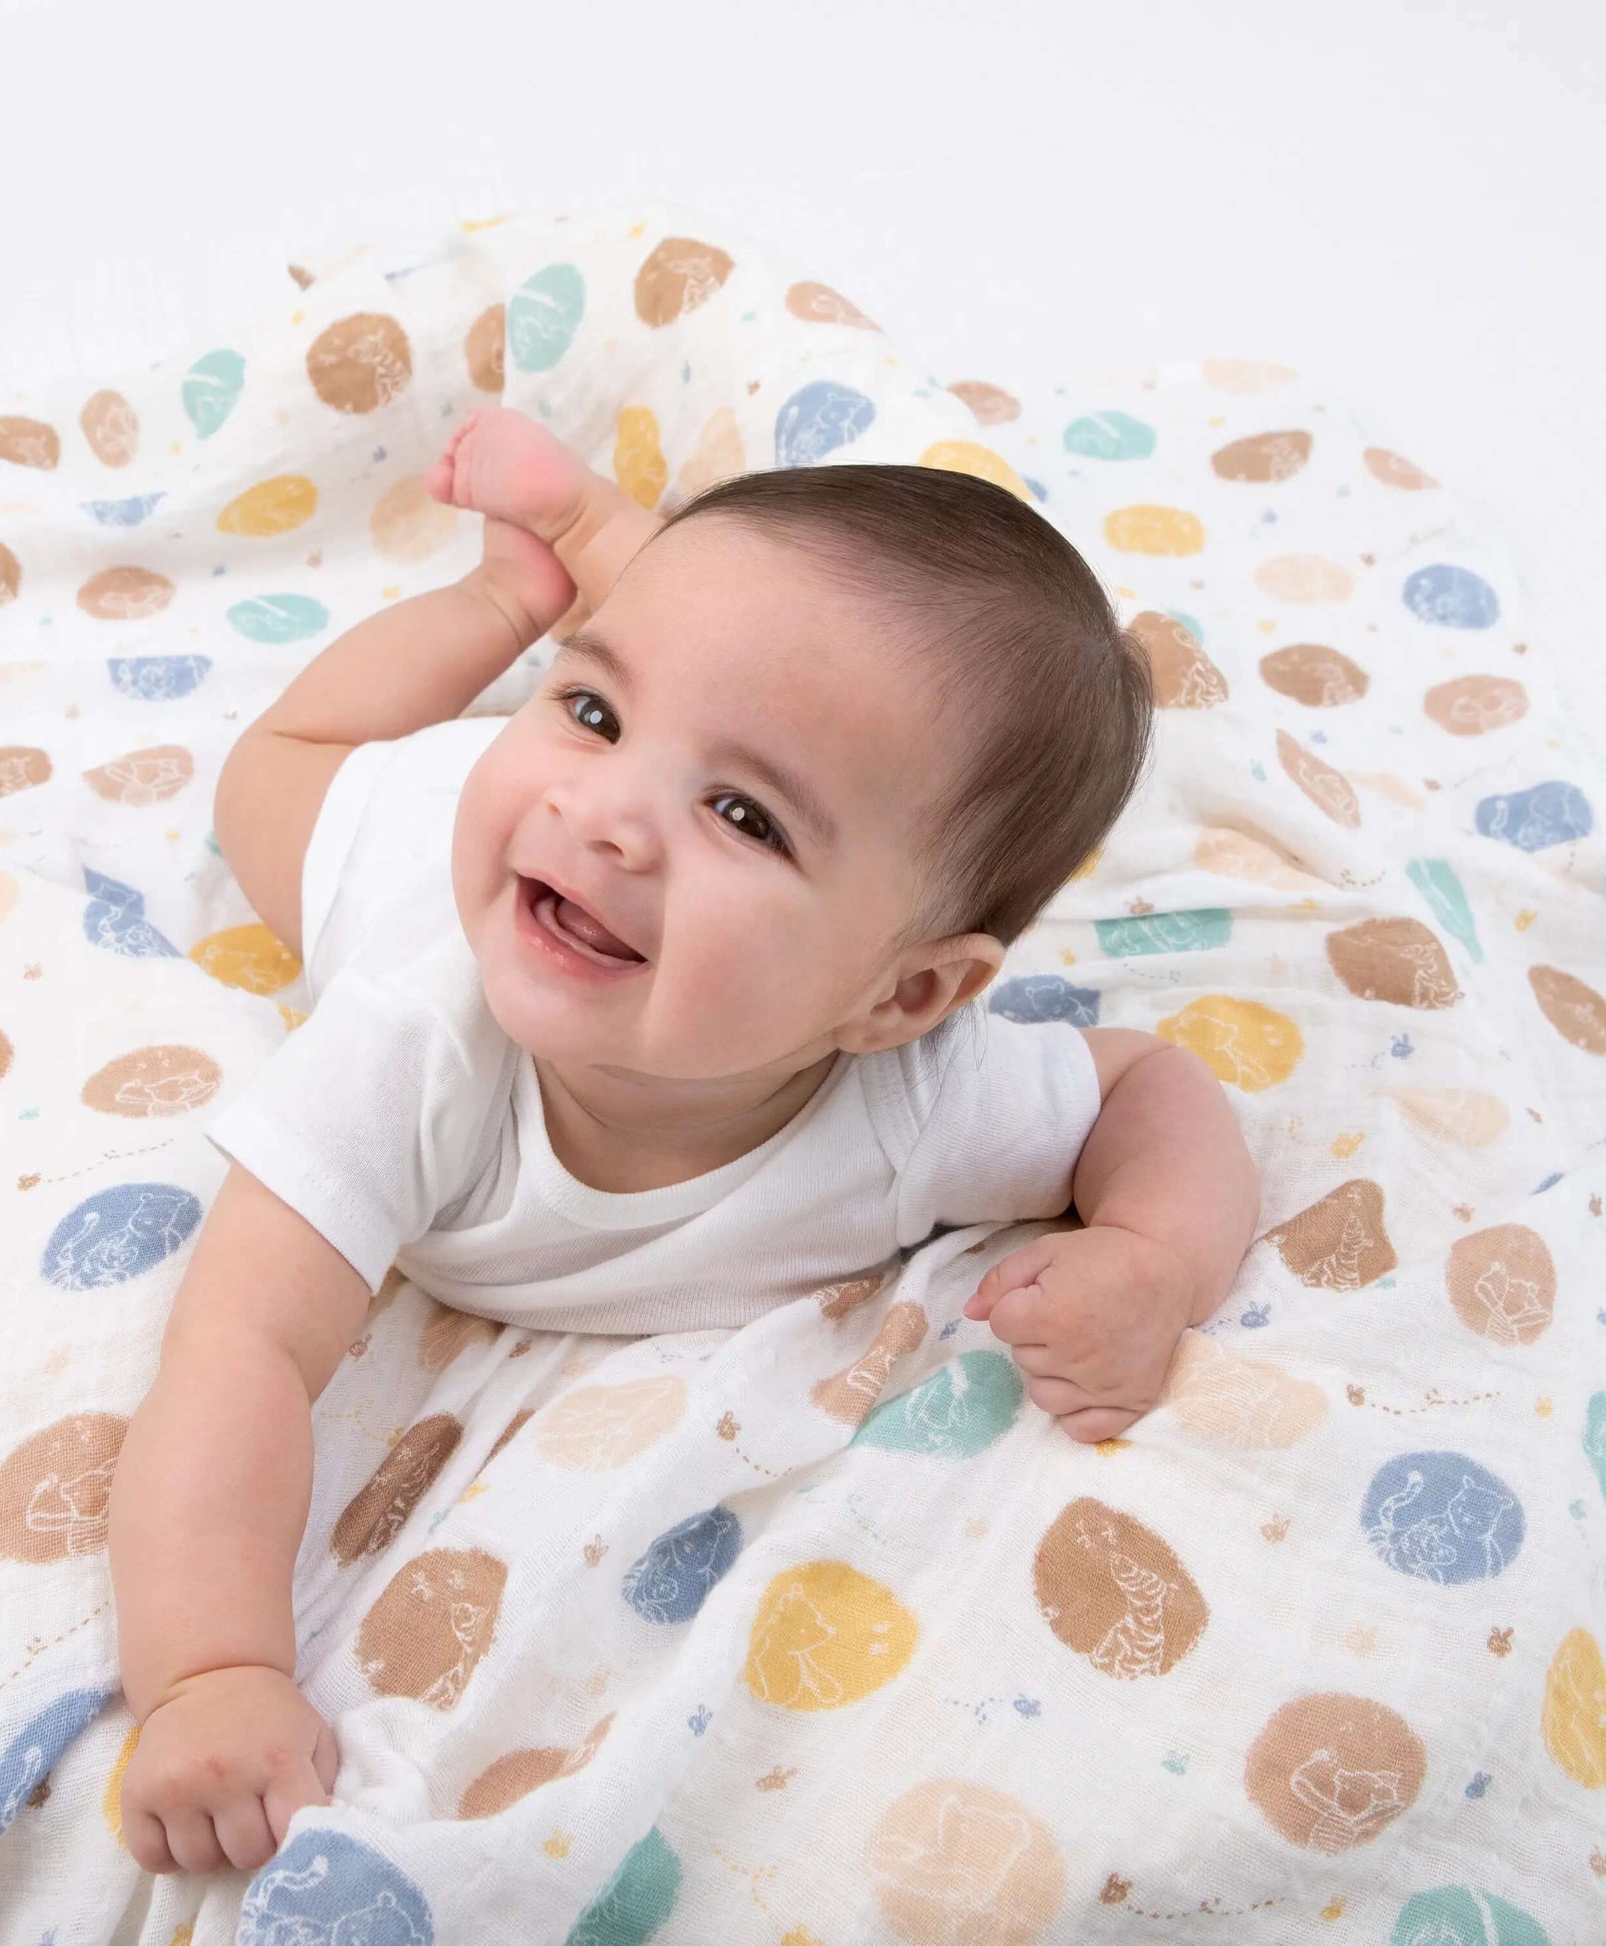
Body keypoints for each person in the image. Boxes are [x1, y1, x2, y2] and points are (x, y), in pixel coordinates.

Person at [108, 407, 1262, 1875]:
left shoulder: (912, 1096)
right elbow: (241, 1353)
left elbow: (1149, 1086)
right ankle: (529, 590)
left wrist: (1152, 1259)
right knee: (276, 761)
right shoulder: (413, 1040)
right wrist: (211, 1672)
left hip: (595, 877)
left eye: (742, 814)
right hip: (421, 846)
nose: (610, 818)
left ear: (900, 993)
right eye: (587, 709)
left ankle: (615, 576)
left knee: (720, 676)